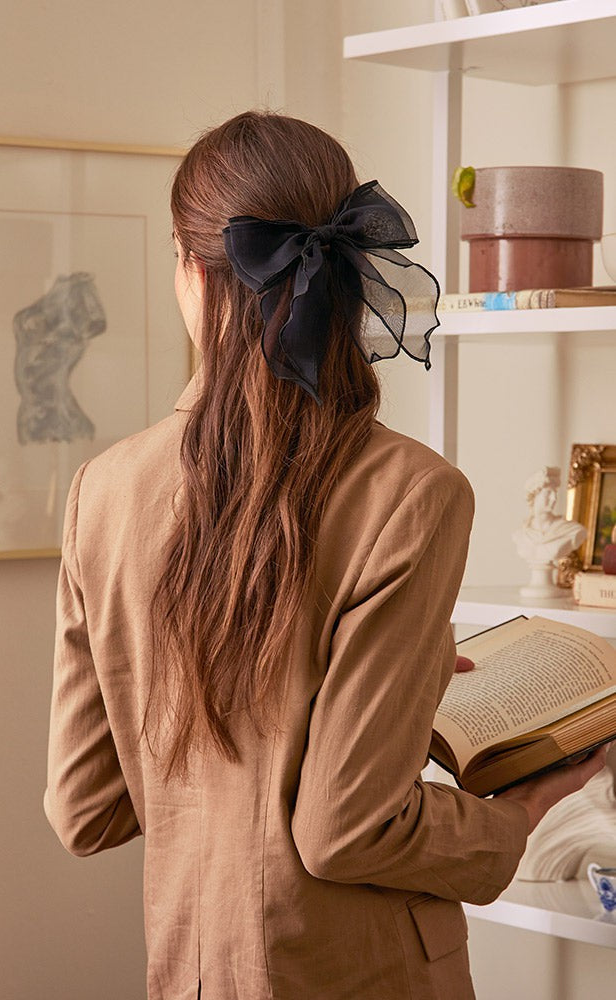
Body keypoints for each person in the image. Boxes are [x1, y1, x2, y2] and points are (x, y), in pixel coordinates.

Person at [44, 111, 607, 1000]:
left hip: (190, 968)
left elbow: (85, 807)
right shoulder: (414, 492)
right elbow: (345, 828)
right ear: (347, 274)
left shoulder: (101, 490)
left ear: (192, 272)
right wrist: (523, 812)